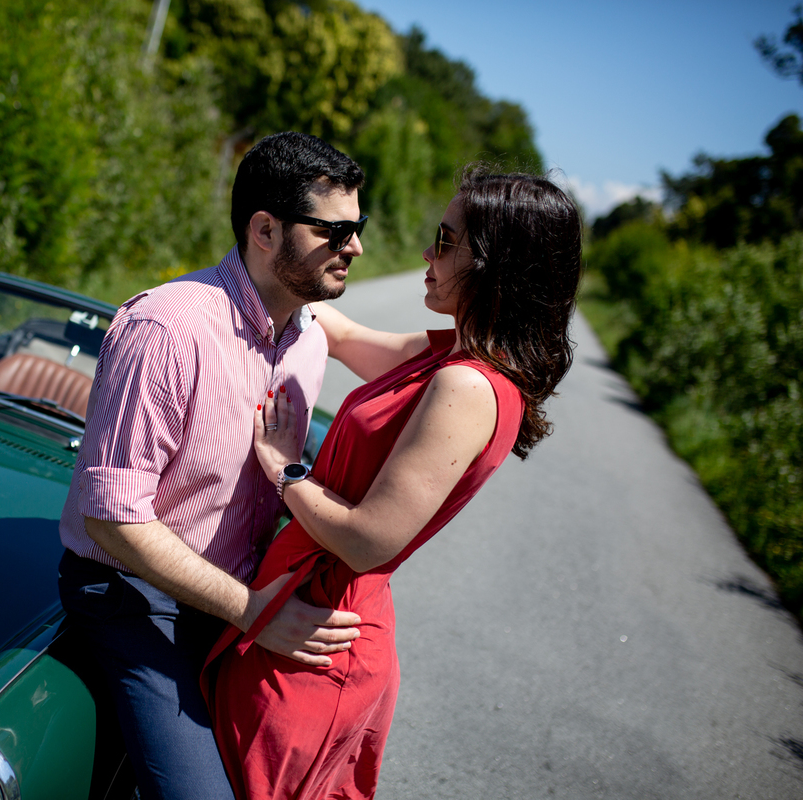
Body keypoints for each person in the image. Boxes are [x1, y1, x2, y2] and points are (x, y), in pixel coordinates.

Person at [203, 167, 584, 800]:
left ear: (496, 265)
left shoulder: (466, 386)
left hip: (321, 632)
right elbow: (344, 334)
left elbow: (367, 540)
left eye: (446, 238)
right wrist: (253, 272)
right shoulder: (452, 356)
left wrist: (283, 466)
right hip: (305, 607)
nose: (427, 254)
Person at [57, 131, 372, 800]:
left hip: (233, 595)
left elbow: (419, 359)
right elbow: (111, 522)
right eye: (336, 230)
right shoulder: (165, 330)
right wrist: (256, 612)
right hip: (136, 597)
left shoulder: (307, 334)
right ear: (266, 229)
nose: (357, 246)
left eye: (359, 226)